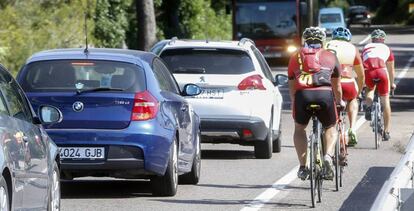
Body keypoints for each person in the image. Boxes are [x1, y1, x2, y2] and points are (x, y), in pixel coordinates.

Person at [288, 27, 344, 180]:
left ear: (304, 40)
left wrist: (294, 101)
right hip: (324, 95)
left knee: (299, 129)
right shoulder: (331, 56)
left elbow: (292, 86)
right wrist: (340, 102)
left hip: (302, 96)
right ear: (323, 41)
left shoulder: (295, 56)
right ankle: (328, 156)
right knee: (330, 127)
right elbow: (337, 87)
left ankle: (303, 167)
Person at [326, 27, 365, 147]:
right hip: (347, 83)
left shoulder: (326, 45)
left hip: (330, 84)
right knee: (353, 99)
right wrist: (358, 93)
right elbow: (361, 75)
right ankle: (352, 128)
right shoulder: (353, 48)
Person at [361, 29, 395, 141]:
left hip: (369, 71)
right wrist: (392, 83)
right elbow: (391, 70)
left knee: (370, 89)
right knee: (385, 101)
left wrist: (361, 83)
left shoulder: (366, 47)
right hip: (382, 71)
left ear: (372, 39)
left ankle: (368, 106)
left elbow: (361, 67)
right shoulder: (387, 49)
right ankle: (386, 131)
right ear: (383, 40)